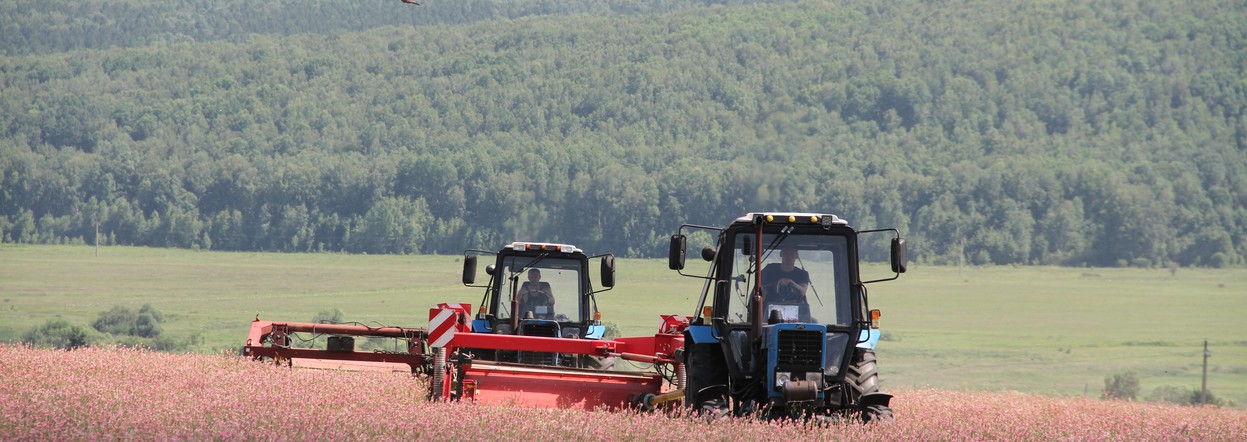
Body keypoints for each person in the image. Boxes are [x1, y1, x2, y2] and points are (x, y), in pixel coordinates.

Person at [759, 246, 810, 321]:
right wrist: (776, 285)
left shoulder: (802, 274)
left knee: (815, 322)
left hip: (796, 312)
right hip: (768, 312)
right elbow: (759, 289)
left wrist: (791, 282)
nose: (789, 256)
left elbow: (803, 291)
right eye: (786, 253)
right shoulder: (769, 270)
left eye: (792, 254)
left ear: (796, 256)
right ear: (781, 254)